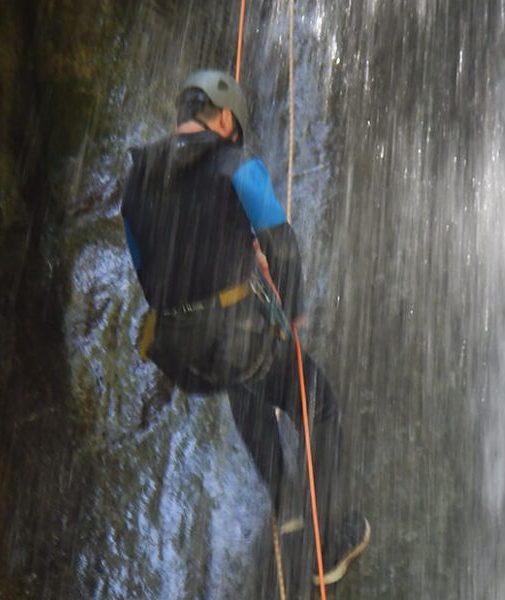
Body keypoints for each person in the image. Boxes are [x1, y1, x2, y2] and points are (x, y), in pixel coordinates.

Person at [121, 69, 369, 592]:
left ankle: (287, 505)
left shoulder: (137, 176)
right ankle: (325, 544)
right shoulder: (237, 163)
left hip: (175, 349)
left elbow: (144, 267)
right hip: (230, 336)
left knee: (244, 375)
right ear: (226, 117)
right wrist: (294, 308)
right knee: (317, 402)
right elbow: (280, 242)